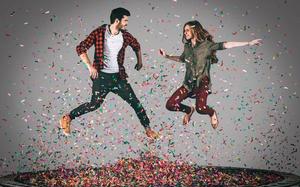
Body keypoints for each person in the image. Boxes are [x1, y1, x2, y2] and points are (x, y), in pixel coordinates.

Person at [60, 7, 160, 139]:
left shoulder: (125, 36)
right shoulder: (100, 33)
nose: (126, 23)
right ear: (117, 20)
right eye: (125, 21)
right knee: (94, 105)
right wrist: (90, 67)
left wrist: (139, 61)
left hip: (118, 78)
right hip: (101, 77)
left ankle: (148, 129)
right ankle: (68, 117)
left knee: (135, 102)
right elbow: (81, 47)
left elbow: (136, 45)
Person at [159, 20, 261, 129]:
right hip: (188, 84)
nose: (185, 33)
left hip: (202, 83)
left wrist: (248, 43)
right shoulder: (187, 47)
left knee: (201, 109)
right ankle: (189, 110)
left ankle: (212, 113)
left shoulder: (207, 46)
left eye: (187, 30)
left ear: (195, 30)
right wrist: (167, 56)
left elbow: (226, 44)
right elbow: (182, 59)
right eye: (184, 31)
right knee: (170, 105)